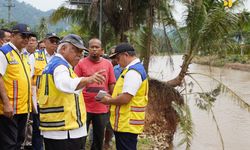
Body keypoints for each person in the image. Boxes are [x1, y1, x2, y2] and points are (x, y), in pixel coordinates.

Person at [38, 34, 106, 150]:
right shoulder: (60, 66)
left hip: (62, 127)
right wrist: (87, 79)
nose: (79, 55)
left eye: (81, 51)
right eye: (76, 50)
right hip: (63, 130)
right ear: (63, 49)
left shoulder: (59, 65)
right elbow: (65, 83)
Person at [99, 43, 149, 150]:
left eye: (118, 58)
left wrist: (108, 100)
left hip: (127, 123)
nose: (116, 61)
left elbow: (125, 98)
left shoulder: (133, 72)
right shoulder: (131, 70)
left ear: (126, 55)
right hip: (126, 123)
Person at [74, 38, 116, 150]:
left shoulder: (108, 64)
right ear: (88, 49)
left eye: (97, 47)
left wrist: (114, 99)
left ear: (102, 50)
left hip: (102, 108)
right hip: (84, 107)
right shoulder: (81, 63)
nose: (94, 49)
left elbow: (111, 83)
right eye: (92, 47)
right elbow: (74, 83)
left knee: (98, 138)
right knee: (80, 137)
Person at [0, 23, 32, 150]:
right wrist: (6, 103)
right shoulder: (4, 52)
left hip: (23, 108)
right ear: (12, 35)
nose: (26, 39)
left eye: (28, 36)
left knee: (19, 142)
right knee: (9, 144)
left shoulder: (24, 54)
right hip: (9, 109)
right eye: (23, 35)